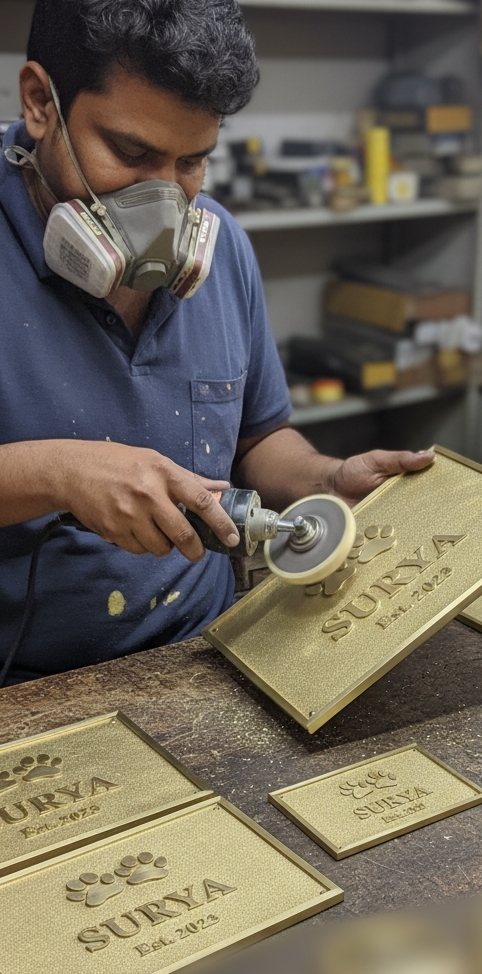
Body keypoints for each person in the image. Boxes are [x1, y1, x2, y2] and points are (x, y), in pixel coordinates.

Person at [0, 0, 434, 686]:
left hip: (211, 647)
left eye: (192, 162)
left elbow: (258, 439)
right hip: (33, 685)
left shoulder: (222, 245)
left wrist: (324, 481)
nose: (164, 204)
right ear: (39, 102)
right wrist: (57, 474)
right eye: (131, 153)